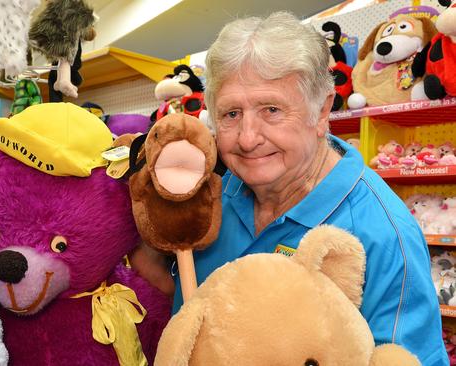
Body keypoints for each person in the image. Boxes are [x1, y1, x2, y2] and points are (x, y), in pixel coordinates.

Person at [169, 12, 447, 365]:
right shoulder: (210, 196)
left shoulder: (383, 233)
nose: (248, 138)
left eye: (271, 109)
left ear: (322, 110)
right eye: (231, 114)